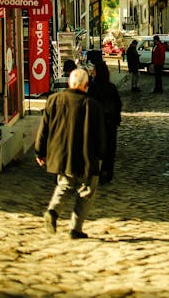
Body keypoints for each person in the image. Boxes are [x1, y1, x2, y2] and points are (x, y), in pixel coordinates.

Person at [35, 67, 106, 239]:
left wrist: (39, 151)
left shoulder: (53, 100)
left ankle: (53, 211)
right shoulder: (93, 105)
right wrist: (102, 157)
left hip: (62, 155)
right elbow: (100, 135)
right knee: (86, 191)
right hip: (86, 156)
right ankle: (76, 228)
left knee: (65, 184)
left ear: (69, 82)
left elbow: (43, 129)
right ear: (86, 85)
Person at [88, 60, 122, 184]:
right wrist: (116, 120)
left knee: (96, 149)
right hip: (110, 123)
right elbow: (118, 104)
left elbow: (89, 104)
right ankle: (108, 173)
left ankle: (96, 171)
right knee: (110, 148)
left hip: (96, 124)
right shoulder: (111, 87)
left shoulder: (93, 87)